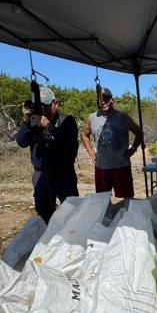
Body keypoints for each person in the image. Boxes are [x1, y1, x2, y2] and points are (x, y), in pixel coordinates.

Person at [15, 86, 79, 223]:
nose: (42, 109)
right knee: (44, 214)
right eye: (39, 106)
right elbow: (21, 142)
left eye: (45, 105)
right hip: (41, 174)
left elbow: (69, 148)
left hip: (63, 173)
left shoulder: (67, 120)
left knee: (72, 211)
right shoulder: (34, 121)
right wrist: (26, 121)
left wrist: (49, 127)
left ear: (55, 103)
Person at [80, 88, 143, 198]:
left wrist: (133, 149)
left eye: (106, 99)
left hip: (121, 166)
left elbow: (139, 132)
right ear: (97, 101)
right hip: (101, 167)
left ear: (112, 100)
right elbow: (84, 134)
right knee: (102, 200)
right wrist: (89, 150)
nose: (103, 102)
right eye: (101, 99)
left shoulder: (122, 117)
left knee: (125, 200)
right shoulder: (92, 118)